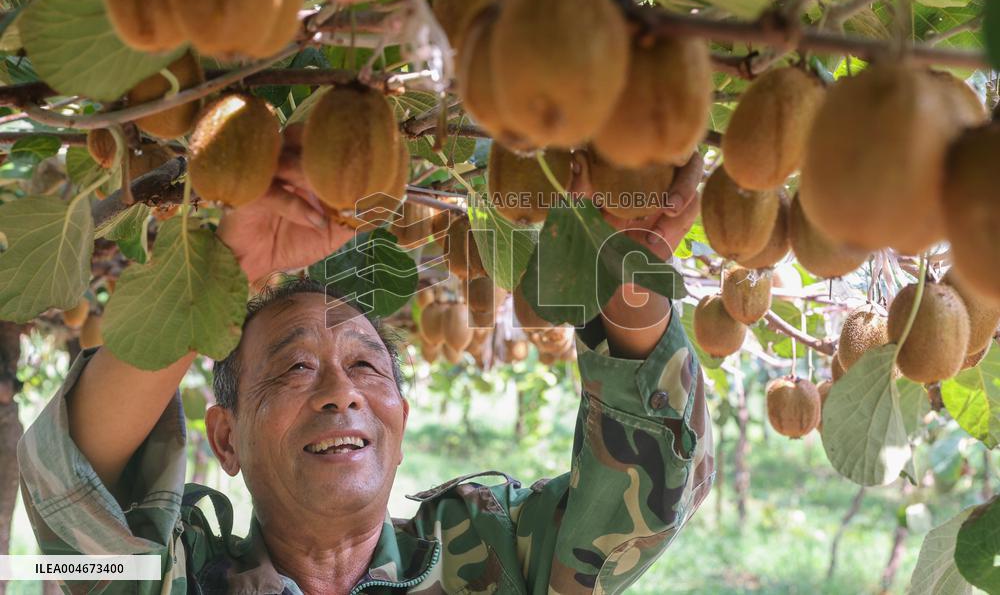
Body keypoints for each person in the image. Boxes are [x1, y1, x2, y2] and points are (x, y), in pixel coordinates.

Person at [17, 142, 713, 594]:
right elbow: (72, 486)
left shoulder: (494, 557)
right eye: (292, 367)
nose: (341, 392)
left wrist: (631, 286)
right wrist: (220, 276)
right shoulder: (182, 579)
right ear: (225, 436)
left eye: (367, 365)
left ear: (401, 422)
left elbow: (646, 496)